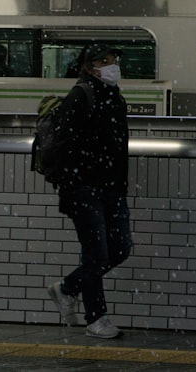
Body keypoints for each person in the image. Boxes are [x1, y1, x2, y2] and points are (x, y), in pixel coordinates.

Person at [46, 43, 132, 339]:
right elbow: (63, 145)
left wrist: (119, 185)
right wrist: (72, 188)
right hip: (84, 188)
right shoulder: (81, 95)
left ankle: (66, 288)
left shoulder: (114, 97)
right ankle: (96, 319)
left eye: (115, 60)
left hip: (110, 188)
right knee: (96, 254)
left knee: (120, 248)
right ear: (91, 66)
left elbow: (118, 148)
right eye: (107, 61)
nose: (113, 67)